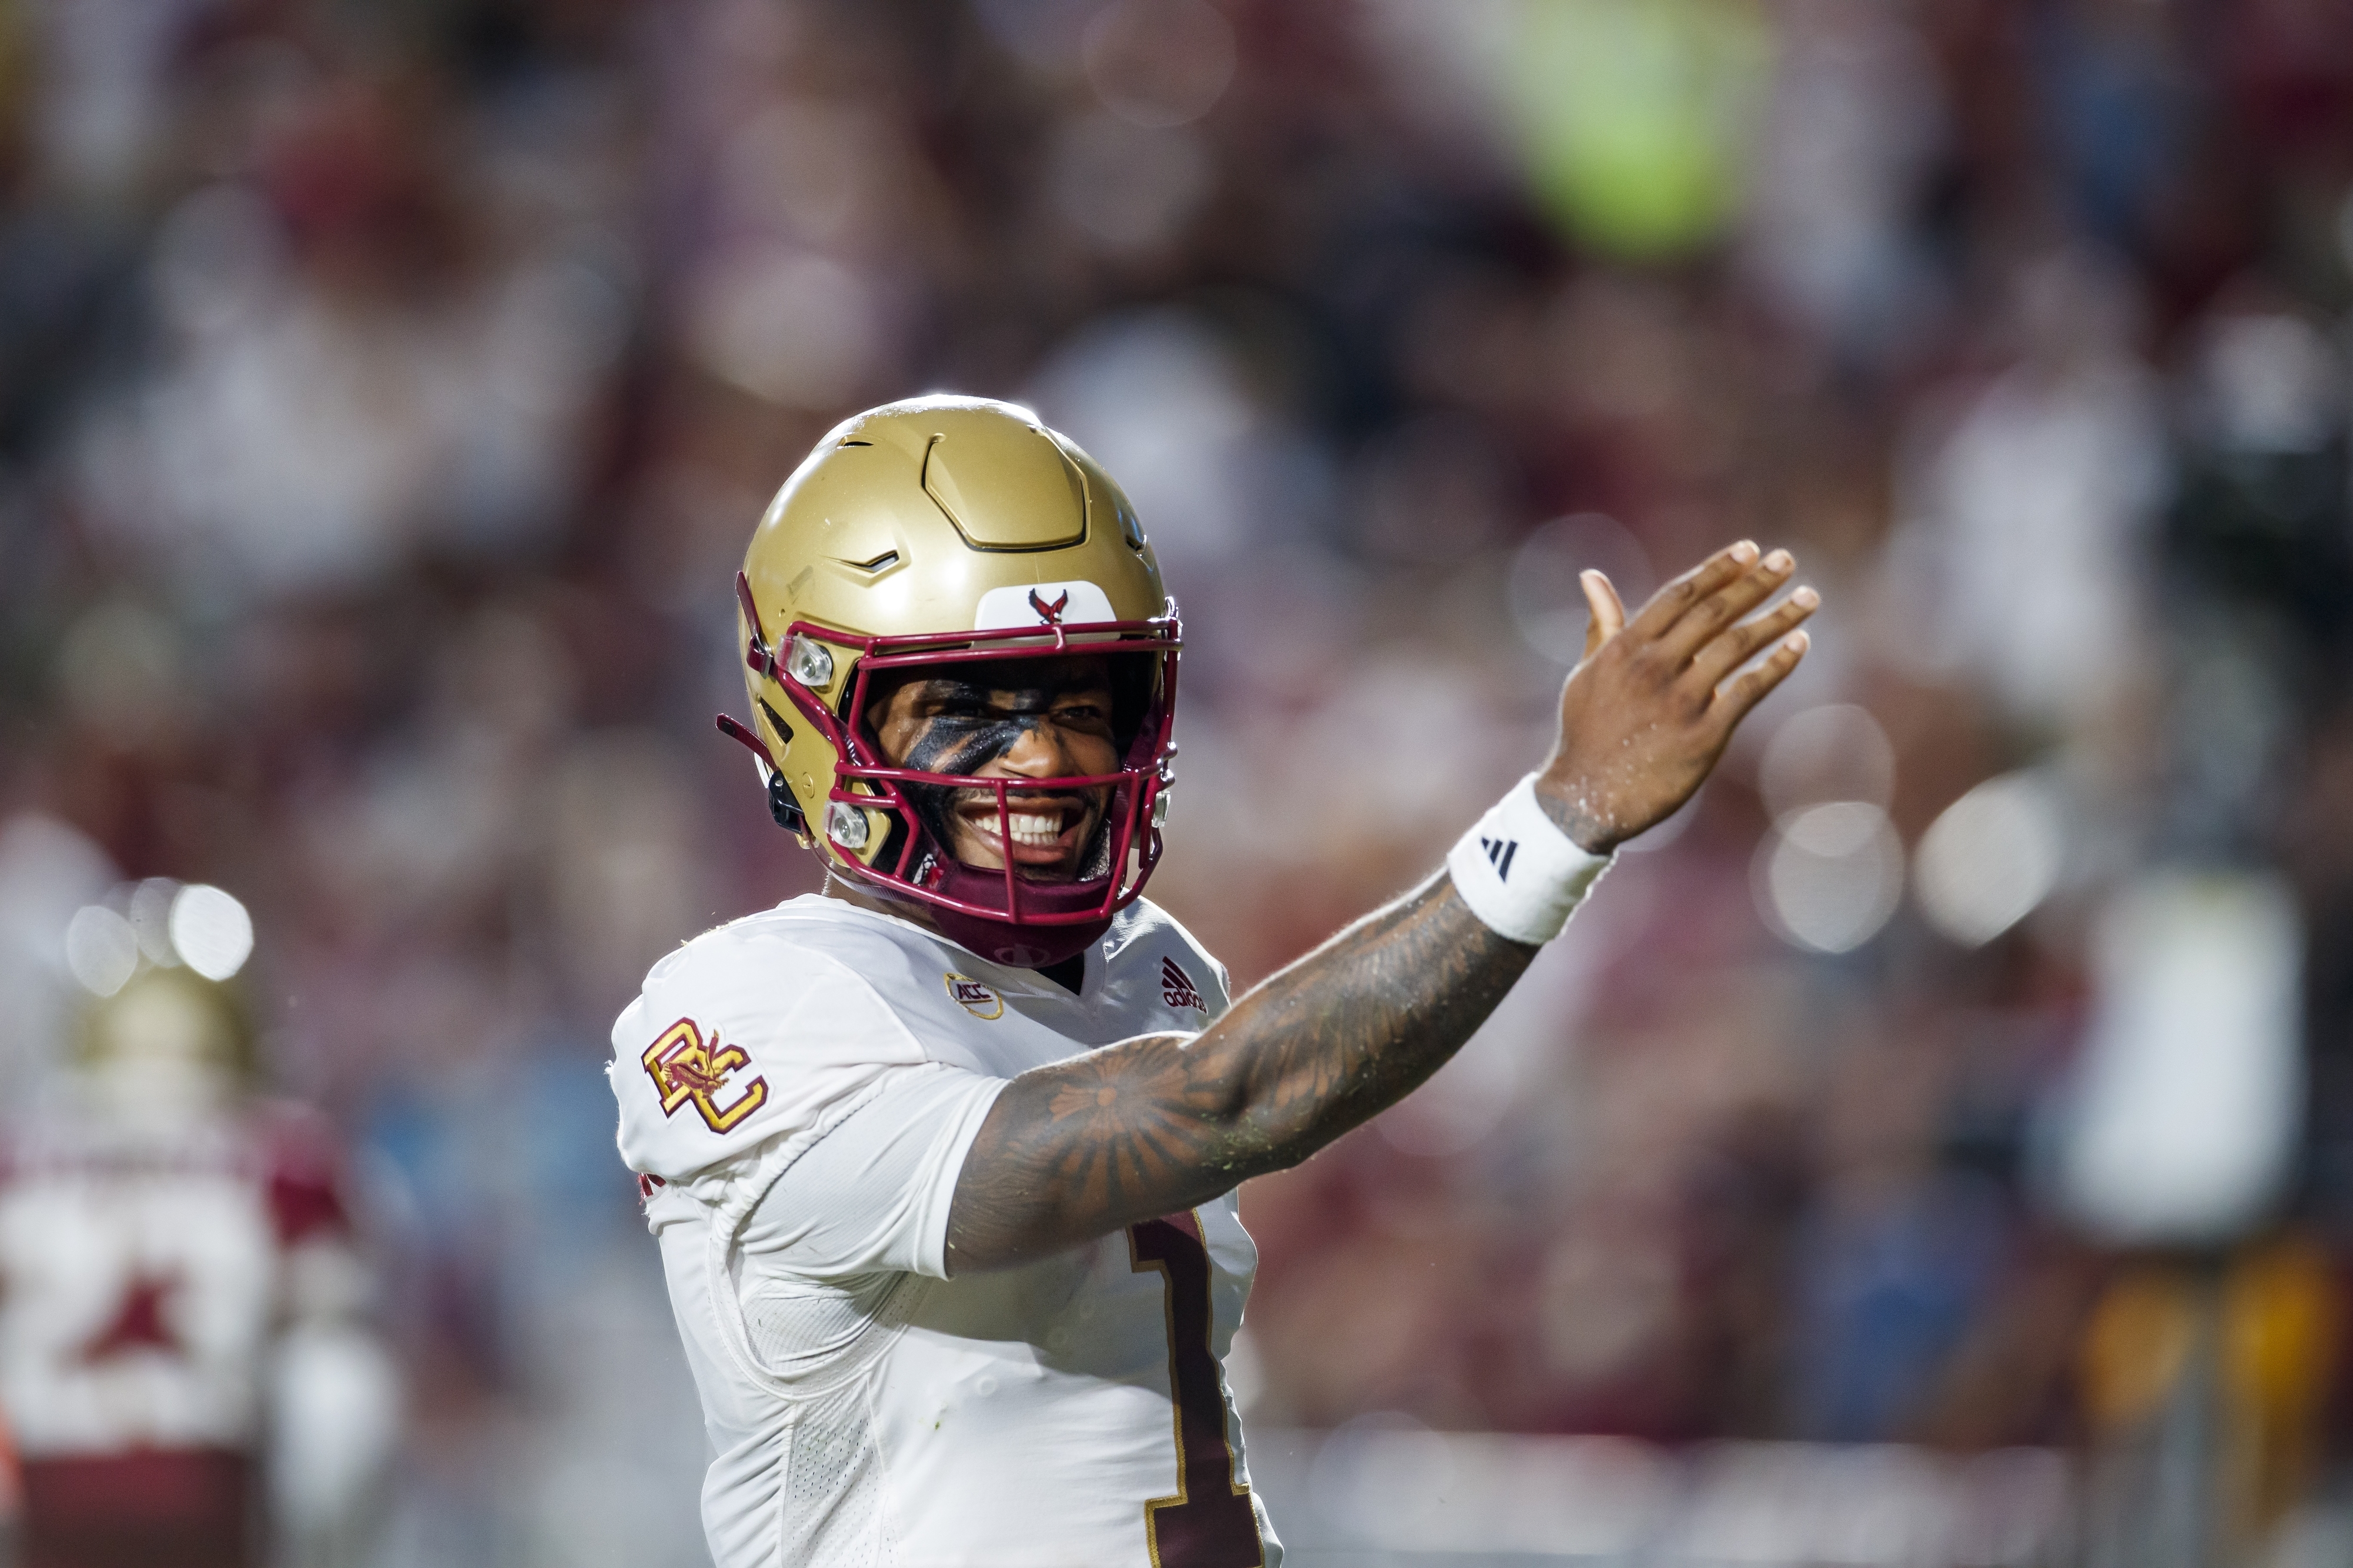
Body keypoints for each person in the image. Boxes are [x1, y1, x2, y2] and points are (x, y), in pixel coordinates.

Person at [606, 394, 1816, 1567]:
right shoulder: (749, 1006)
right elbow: (1213, 1105)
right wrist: (1557, 823)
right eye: (965, 705)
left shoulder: (1152, 970)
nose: (1040, 756)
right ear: (812, 710)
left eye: (1083, 700)